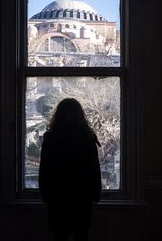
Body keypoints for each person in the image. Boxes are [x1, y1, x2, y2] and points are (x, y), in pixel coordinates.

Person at [39, 98, 102, 241]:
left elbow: (44, 169)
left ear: (58, 115)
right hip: (82, 195)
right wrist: (96, 193)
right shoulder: (87, 137)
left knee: (60, 234)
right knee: (81, 234)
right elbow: (94, 168)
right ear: (80, 115)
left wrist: (45, 193)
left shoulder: (50, 137)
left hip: (58, 195)